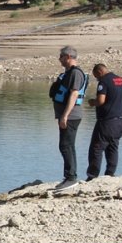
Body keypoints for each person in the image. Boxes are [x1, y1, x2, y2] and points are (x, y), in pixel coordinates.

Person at [49, 46, 89, 192]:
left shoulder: (75, 73)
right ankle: (69, 177)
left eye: (61, 56)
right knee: (67, 145)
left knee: (66, 146)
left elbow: (74, 94)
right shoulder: (69, 73)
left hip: (71, 116)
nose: (59, 59)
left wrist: (65, 115)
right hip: (68, 116)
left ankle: (71, 177)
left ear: (68, 57)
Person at [85, 63, 122, 180]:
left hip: (106, 121)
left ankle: (92, 175)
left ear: (100, 72)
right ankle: (110, 173)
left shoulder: (104, 82)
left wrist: (92, 102)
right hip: (119, 120)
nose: (97, 79)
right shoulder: (120, 80)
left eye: (96, 76)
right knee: (113, 147)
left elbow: (101, 100)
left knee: (96, 148)